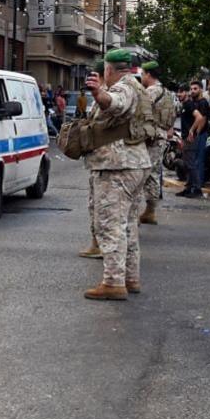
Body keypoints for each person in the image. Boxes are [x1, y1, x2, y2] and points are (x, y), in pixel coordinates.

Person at [82, 49, 152, 301]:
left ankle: (113, 281)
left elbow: (116, 104)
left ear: (109, 70)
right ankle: (130, 277)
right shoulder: (137, 86)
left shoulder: (123, 87)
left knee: (110, 224)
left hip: (118, 166)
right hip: (135, 163)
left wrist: (99, 93)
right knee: (128, 225)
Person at [139, 61, 177, 224]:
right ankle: (150, 210)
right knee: (153, 173)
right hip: (161, 136)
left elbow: (139, 111)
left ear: (148, 74)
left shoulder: (150, 92)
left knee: (140, 173)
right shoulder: (167, 93)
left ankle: (137, 212)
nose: (141, 77)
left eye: (142, 74)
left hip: (150, 137)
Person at [80, 61, 105, 260]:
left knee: (104, 208)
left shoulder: (110, 96)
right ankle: (96, 243)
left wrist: (99, 92)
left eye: (96, 75)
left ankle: (115, 276)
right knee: (94, 205)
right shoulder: (99, 98)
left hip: (109, 163)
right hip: (99, 160)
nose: (92, 80)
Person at [177, 81, 210, 199]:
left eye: (181, 92)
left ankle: (197, 189)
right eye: (178, 92)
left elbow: (200, 117)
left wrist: (192, 131)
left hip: (191, 138)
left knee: (191, 164)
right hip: (186, 137)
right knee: (188, 164)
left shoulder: (190, 104)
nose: (178, 94)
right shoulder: (186, 104)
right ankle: (188, 188)